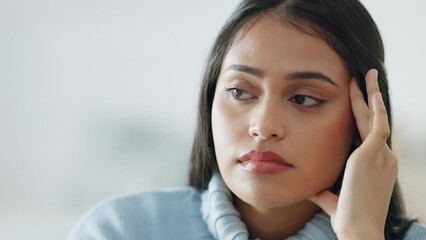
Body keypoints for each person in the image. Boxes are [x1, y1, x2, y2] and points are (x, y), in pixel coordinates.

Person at [67, 0, 426, 239]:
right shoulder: (121, 230)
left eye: (304, 99)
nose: (263, 125)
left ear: (364, 119)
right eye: (240, 92)